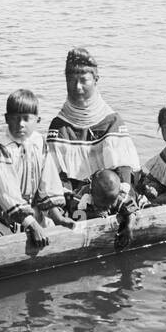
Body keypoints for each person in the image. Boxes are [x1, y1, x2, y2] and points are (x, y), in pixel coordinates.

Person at [38, 48, 140, 217]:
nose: (77, 87)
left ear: (96, 80)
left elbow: (124, 174)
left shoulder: (112, 121)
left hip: (112, 194)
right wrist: (73, 201)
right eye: (71, 80)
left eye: (83, 80)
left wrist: (116, 200)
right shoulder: (59, 126)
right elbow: (58, 178)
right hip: (77, 199)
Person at [0, 89, 74, 244]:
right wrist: (32, 224)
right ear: (6, 119)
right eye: (15, 119)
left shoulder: (40, 143)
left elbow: (48, 184)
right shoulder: (1, 150)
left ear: (37, 120)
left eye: (26, 119)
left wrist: (57, 217)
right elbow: (7, 194)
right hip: (0, 213)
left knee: (54, 230)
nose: (20, 124)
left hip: (32, 210)